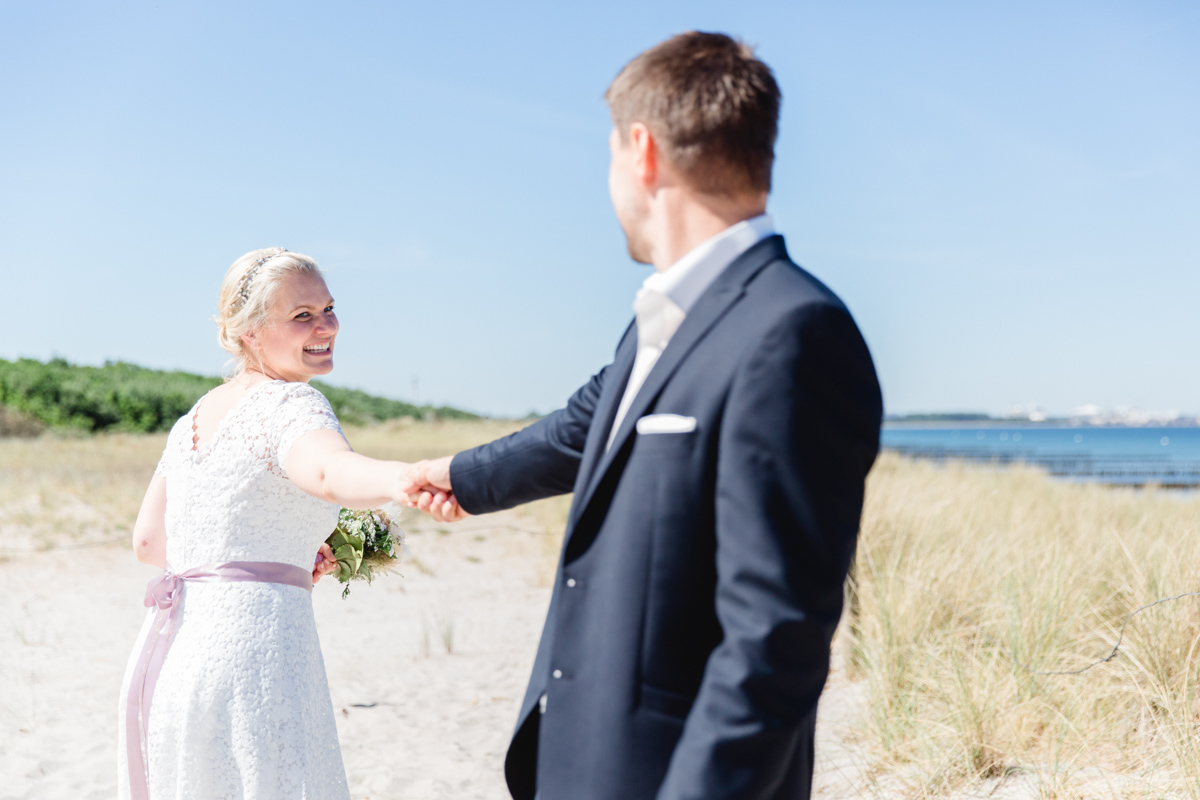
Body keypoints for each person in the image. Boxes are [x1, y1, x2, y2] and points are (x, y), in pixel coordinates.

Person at [402, 32, 883, 800]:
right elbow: (577, 431)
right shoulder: (663, 320)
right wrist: (454, 476)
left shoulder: (795, 332)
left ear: (642, 152)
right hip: (583, 757)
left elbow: (775, 643)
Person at [118, 248, 416, 800]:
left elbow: (148, 543)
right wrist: (411, 476)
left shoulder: (194, 418)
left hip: (175, 659)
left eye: (328, 307)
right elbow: (327, 469)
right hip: (257, 662)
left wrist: (287, 546)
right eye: (301, 315)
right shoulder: (293, 402)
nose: (327, 325)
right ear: (249, 331)